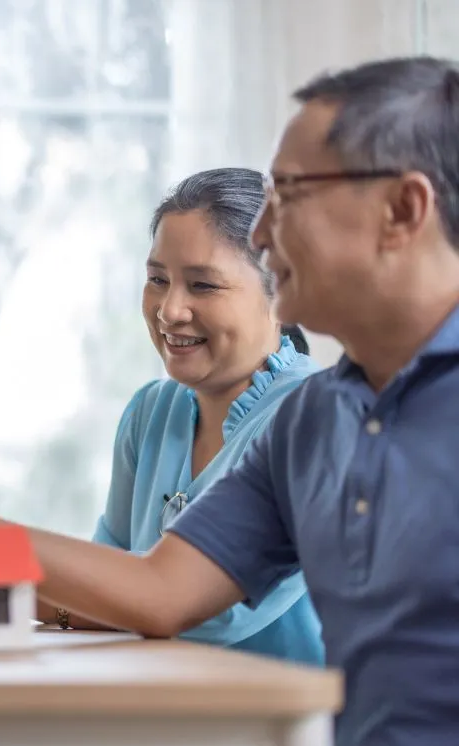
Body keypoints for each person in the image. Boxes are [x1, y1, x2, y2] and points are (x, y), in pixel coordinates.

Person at [0, 56, 459, 746]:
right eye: (157, 278)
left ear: (402, 211)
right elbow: (155, 592)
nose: (260, 232)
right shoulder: (313, 421)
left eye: (291, 194)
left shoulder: (299, 406)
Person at [33, 167, 323, 665]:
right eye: (157, 280)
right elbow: (104, 578)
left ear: (283, 293)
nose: (170, 310)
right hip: (164, 716)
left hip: (279, 729)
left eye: (203, 286)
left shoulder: (313, 416)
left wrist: (4, 586)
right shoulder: (149, 413)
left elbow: (206, 615)